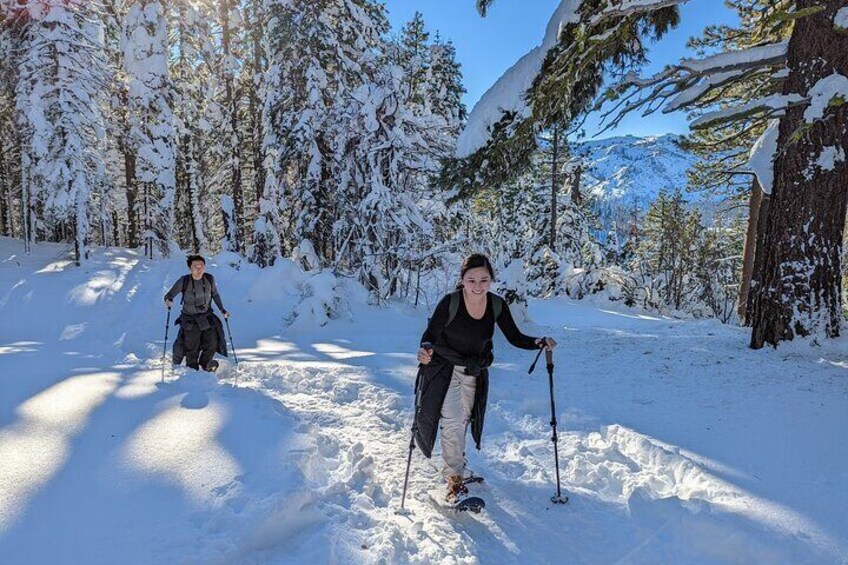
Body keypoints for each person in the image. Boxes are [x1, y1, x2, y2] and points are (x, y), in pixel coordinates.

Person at [414, 253, 556, 501]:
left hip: (474, 370)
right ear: (462, 280)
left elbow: (514, 337)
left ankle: (457, 464)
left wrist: (538, 342)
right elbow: (430, 335)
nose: (477, 286)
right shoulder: (450, 303)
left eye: (483, 279)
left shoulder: (496, 305)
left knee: (465, 417)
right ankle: (454, 480)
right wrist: (424, 351)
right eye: (471, 280)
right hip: (444, 368)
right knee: (454, 419)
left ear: (491, 279)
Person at [164, 255, 229, 371]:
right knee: (192, 347)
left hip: (206, 317)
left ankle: (206, 365)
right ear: (190, 268)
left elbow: (215, 294)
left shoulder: (209, 279)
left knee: (212, 342)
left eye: (201, 266)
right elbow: (169, 295)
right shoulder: (184, 281)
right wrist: (168, 300)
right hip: (190, 320)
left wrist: (222, 309)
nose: (199, 269)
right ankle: (192, 371)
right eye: (195, 266)